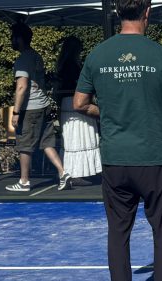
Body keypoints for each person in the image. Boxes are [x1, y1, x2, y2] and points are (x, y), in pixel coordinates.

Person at [73, 0, 162, 281]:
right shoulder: (160, 55)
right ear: (147, 12)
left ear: (117, 13)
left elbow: (80, 103)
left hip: (115, 161)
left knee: (118, 234)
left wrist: (108, 112)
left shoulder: (98, 55)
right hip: (154, 160)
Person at [6, 22, 71, 192]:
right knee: (46, 143)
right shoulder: (36, 55)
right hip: (44, 105)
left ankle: (24, 182)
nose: (11, 40)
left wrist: (16, 112)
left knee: (24, 145)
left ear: (19, 39)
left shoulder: (22, 60)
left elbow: (22, 87)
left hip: (31, 108)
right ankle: (63, 173)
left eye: (13, 37)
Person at [55, 36, 102, 186]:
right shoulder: (71, 66)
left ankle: (77, 171)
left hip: (68, 102)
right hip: (76, 101)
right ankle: (76, 172)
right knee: (79, 135)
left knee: (75, 136)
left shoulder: (64, 65)